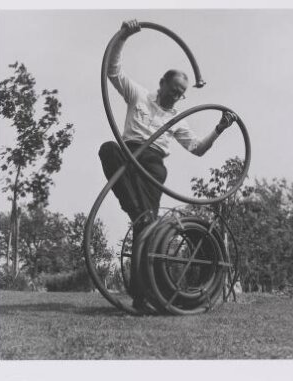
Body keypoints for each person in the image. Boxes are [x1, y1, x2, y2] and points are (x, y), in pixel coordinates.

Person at [98, 19, 237, 310]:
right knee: (107, 149)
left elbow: (197, 149)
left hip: (153, 168)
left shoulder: (176, 119)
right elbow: (112, 71)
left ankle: (141, 297)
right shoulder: (138, 95)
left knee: (144, 229)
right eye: (173, 88)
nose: (175, 95)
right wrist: (124, 36)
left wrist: (219, 129)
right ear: (161, 83)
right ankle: (138, 211)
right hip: (128, 155)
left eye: (180, 93)